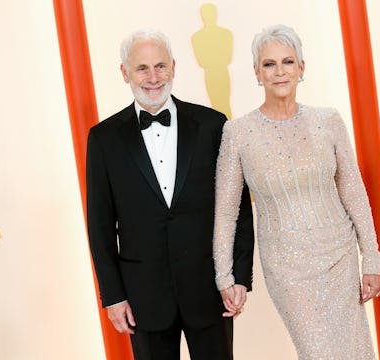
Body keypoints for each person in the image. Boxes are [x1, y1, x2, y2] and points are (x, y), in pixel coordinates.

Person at [213, 24, 380, 359]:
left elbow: (354, 192)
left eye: (288, 62)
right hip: (287, 268)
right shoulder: (238, 133)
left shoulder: (329, 121)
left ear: (301, 68)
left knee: (354, 351)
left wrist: (371, 258)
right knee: (318, 352)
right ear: (257, 72)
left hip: (340, 257)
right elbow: (226, 211)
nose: (280, 72)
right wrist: (224, 276)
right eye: (270, 64)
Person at [86, 29, 254, 360]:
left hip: (210, 288)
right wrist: (113, 296)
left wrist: (239, 275)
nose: (153, 77)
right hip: (142, 298)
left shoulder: (212, 125)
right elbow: (100, 224)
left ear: (174, 67)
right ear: (124, 73)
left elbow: (238, 207)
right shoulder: (103, 139)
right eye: (142, 68)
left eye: (161, 66)